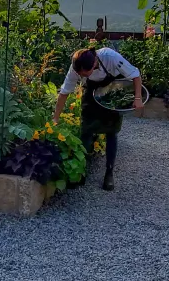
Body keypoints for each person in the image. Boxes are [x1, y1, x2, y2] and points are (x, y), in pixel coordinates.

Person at [52, 47, 143, 191]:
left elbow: (135, 74)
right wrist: (55, 118)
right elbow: (64, 92)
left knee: (111, 132)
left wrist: (137, 98)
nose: (80, 76)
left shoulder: (110, 57)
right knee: (86, 131)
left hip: (112, 91)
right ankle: (81, 171)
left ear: (94, 63)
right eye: (79, 74)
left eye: (84, 74)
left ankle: (109, 173)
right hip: (92, 94)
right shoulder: (77, 66)